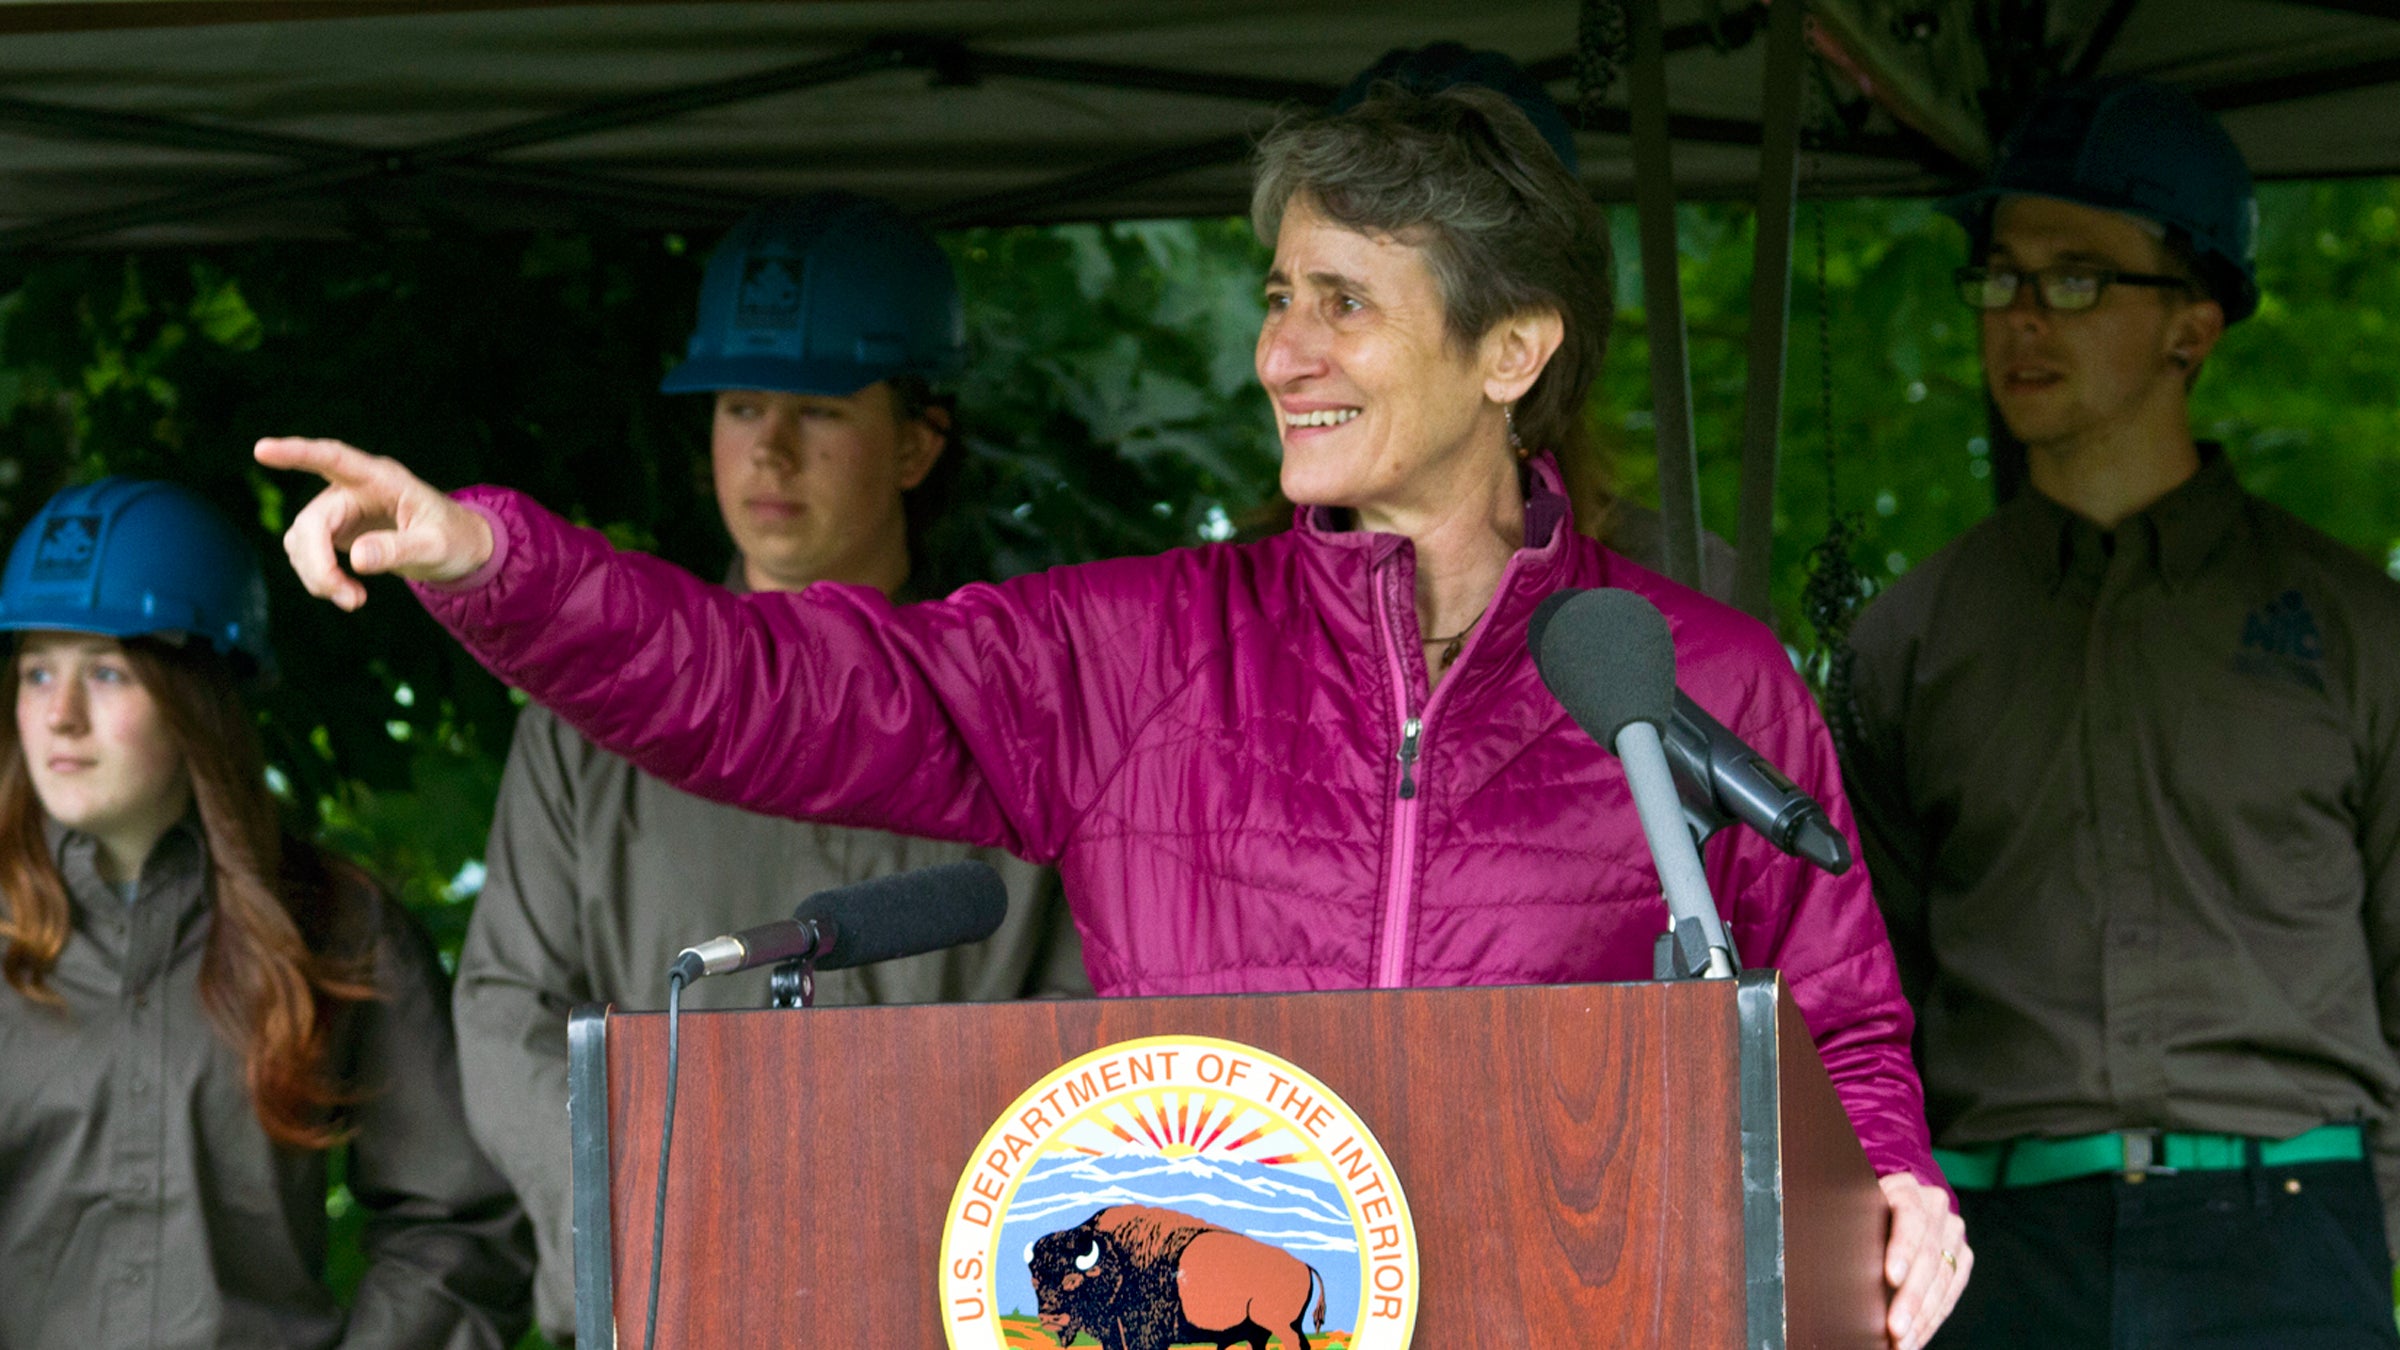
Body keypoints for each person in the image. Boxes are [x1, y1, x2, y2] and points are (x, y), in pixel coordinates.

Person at [261, 84, 1970, 1347]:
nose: (1280, 354)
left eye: (1343, 303)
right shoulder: (1136, 652)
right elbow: (771, 693)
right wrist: (499, 559)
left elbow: (1833, 1032)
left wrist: (1894, 1200)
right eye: (1278, 297)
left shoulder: (1690, 681)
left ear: (1512, 346)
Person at [450, 191, 1088, 1345]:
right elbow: (505, 1012)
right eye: (740, 404)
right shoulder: (583, 720)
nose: (769, 448)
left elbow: (1091, 1019)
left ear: (917, 439)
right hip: (658, 1302)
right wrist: (643, 1209)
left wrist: (924, 1214)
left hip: (942, 1299)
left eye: (819, 407)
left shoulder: (1028, 705)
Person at [1838, 78, 2400, 1348]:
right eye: (2002, 277)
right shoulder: (1909, 641)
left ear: (2191, 329)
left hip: (2298, 1229)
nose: (2024, 317)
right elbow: (1872, 1002)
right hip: (2003, 1246)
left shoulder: (2358, 630)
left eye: (2079, 278)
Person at [0, 477, 532, 1349]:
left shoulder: (334, 927)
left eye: (106, 672)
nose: (60, 716)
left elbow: (460, 1224)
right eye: (36, 673)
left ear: (198, 698)